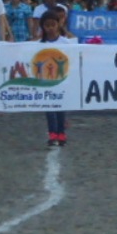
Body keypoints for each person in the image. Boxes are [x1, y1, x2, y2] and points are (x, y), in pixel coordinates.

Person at [38, 10, 78, 146]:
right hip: (46, 81)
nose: (50, 28)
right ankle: (52, 133)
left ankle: (61, 133)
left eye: (53, 25)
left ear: (58, 25)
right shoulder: (39, 44)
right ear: (43, 27)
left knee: (61, 107)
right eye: (47, 25)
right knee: (49, 108)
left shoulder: (66, 42)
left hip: (62, 80)